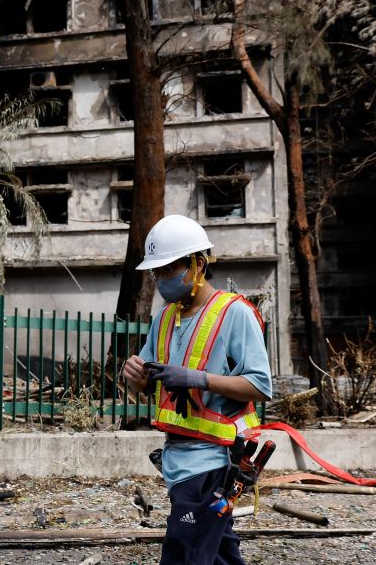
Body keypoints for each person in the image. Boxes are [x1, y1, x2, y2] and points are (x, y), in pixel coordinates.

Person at [121, 214, 272, 565]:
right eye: (156, 272)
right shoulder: (164, 318)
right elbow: (148, 383)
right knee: (217, 552)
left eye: (168, 270)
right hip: (177, 459)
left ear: (198, 264)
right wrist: (137, 378)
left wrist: (196, 378)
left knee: (183, 550)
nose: (160, 280)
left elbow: (260, 385)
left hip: (216, 460)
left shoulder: (235, 313)